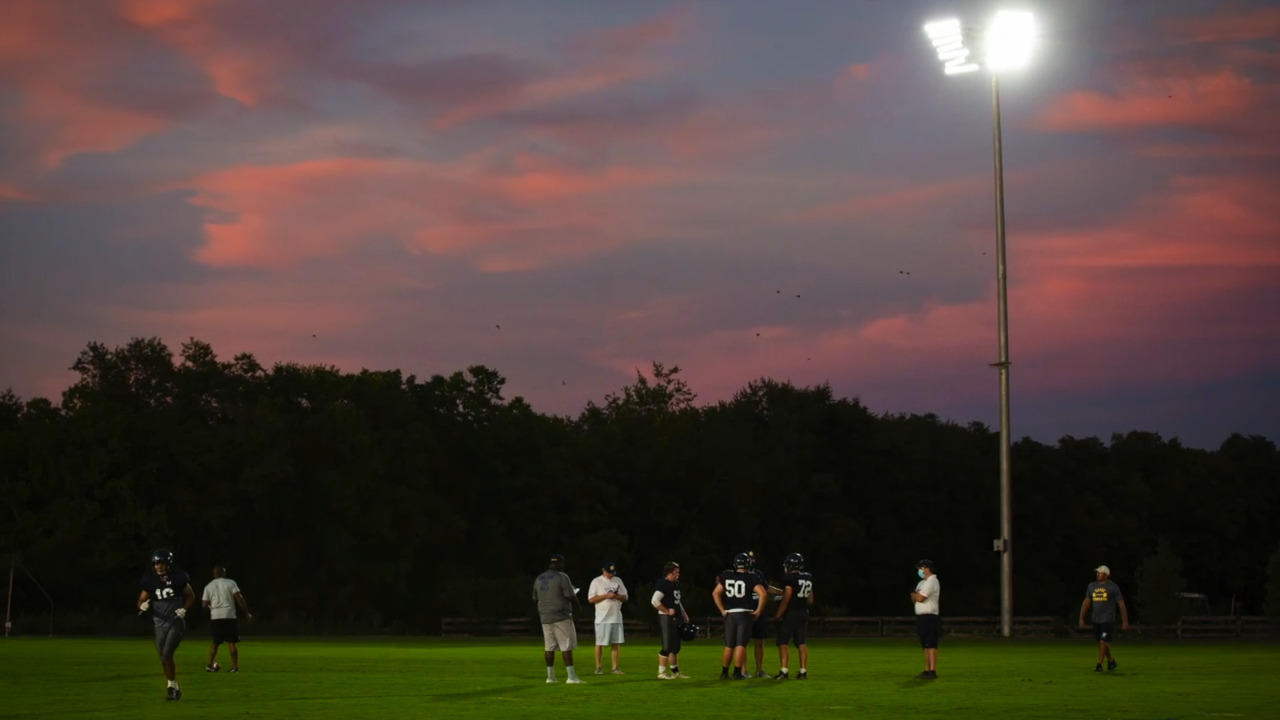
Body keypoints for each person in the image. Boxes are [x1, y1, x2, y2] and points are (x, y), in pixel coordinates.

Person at [137, 549, 195, 701]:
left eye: (161, 563)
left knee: (167, 654)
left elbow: (190, 596)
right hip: (159, 622)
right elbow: (141, 600)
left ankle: (171, 687)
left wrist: (184, 609)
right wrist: (142, 606)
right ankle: (174, 686)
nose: (159, 566)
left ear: (168, 564)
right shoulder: (149, 579)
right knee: (163, 657)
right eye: (156, 563)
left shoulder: (178, 577)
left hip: (175, 620)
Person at [712, 553, 767, 680]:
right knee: (741, 644)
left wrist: (722, 610)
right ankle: (737, 672)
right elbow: (763, 594)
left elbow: (715, 593)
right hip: (744, 613)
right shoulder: (751, 577)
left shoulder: (727, 575)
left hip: (730, 613)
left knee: (729, 644)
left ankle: (724, 672)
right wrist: (758, 610)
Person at [533, 553, 584, 684]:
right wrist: (579, 606)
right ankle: (571, 677)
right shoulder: (562, 576)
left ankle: (550, 677)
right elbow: (570, 595)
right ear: (561, 564)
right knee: (566, 646)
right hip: (561, 615)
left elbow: (535, 597)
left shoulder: (539, 578)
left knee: (549, 647)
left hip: (545, 616)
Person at [1079, 564, 1130, 672]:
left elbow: (1121, 604)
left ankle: (1099, 664)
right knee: (1103, 642)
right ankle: (1111, 661)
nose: (1098, 574)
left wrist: (1125, 620)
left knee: (1103, 640)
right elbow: (1087, 602)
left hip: (1108, 619)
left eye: (1100, 573)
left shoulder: (1113, 587)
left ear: (1106, 575)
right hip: (1096, 619)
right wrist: (1082, 617)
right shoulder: (1092, 586)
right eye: (1097, 572)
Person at [202, 566, 252, 673]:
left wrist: (212, 609)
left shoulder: (209, 586)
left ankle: (210, 665)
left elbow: (204, 604)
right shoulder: (230, 583)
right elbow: (239, 598)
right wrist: (246, 613)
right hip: (229, 615)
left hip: (216, 616)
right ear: (224, 573)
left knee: (215, 642)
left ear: (214, 574)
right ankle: (234, 667)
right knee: (232, 642)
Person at [773, 552, 814, 680]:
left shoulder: (789, 578)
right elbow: (810, 599)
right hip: (803, 612)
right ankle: (803, 671)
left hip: (792, 612)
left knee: (783, 641)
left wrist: (779, 614)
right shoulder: (808, 577)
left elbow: (787, 596)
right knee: (801, 642)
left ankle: (784, 671)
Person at [587, 560, 629, 674]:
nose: (611, 575)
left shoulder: (618, 580)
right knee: (600, 643)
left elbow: (625, 597)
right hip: (602, 618)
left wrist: (616, 596)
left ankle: (615, 667)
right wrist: (606, 595)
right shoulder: (597, 581)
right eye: (609, 572)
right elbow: (591, 599)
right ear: (603, 571)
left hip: (616, 617)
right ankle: (598, 667)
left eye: (613, 572)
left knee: (616, 643)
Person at [651, 561, 691, 679]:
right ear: (669, 573)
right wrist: (666, 610)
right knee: (667, 646)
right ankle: (661, 673)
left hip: (676, 618)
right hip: (667, 618)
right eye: (676, 572)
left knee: (675, 646)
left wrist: (683, 613)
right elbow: (654, 601)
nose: (678, 574)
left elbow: (677, 601)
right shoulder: (663, 583)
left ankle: (675, 672)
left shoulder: (675, 584)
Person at [910, 559, 940, 680]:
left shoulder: (932, 581)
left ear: (927, 568)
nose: (919, 570)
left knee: (931, 643)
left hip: (930, 616)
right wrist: (915, 596)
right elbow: (914, 598)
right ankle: (927, 669)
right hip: (922, 616)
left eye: (921, 568)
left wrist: (916, 595)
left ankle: (932, 670)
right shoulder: (922, 582)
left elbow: (920, 597)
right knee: (925, 644)